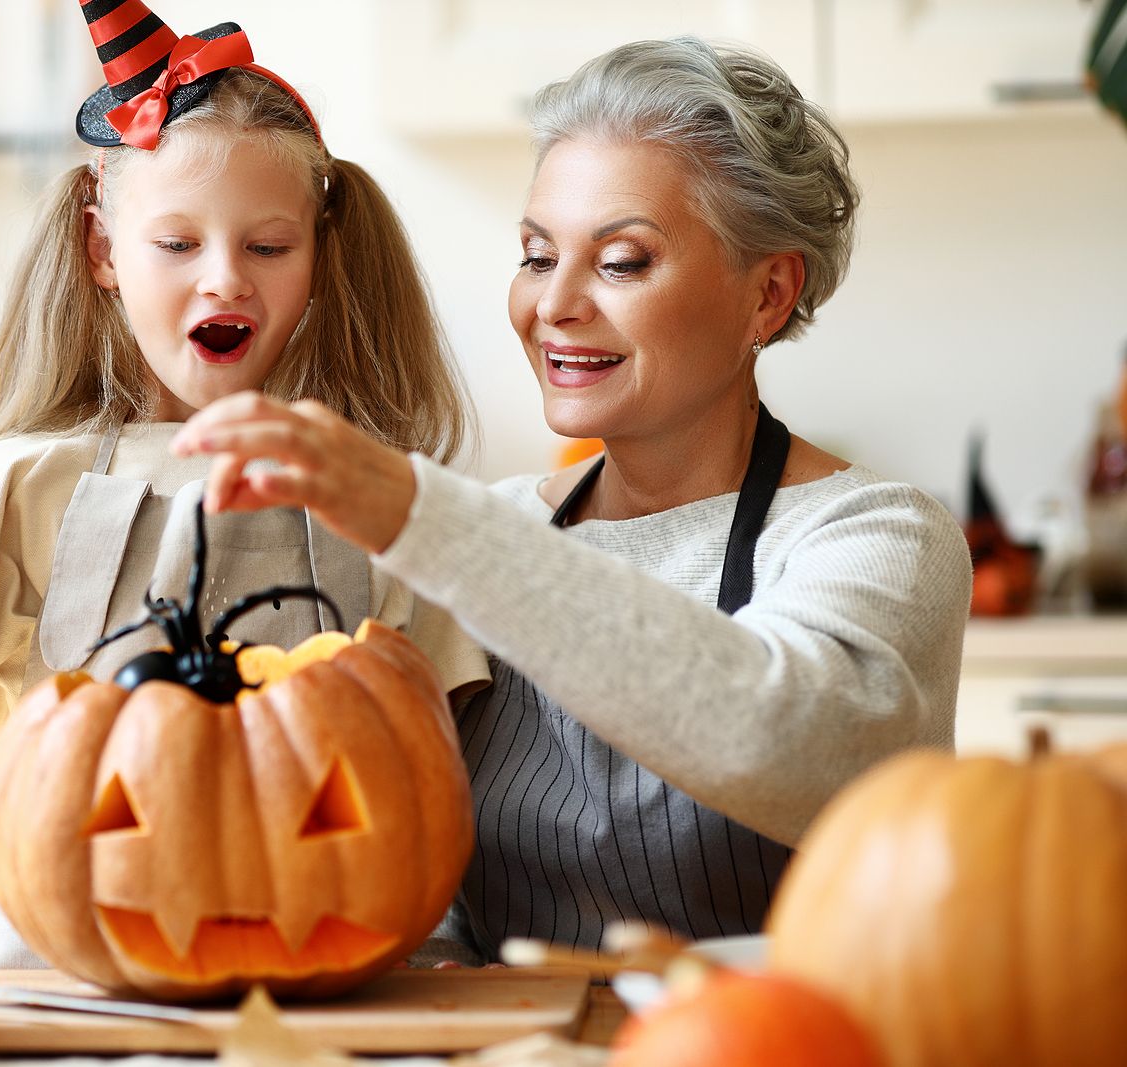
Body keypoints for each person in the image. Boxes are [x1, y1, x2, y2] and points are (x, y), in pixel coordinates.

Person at [0, 1, 485, 967]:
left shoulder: (385, 499)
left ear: (320, 259)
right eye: (177, 244)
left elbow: (449, 783)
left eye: (268, 246)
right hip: (67, 999)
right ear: (102, 252)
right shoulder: (19, 488)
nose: (224, 281)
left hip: (338, 992)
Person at [172, 36, 973, 962]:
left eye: (622, 262)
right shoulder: (497, 526)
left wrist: (418, 516)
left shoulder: (875, 535)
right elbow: (399, 871)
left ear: (768, 294)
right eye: (537, 255)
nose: (555, 304)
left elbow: (782, 735)